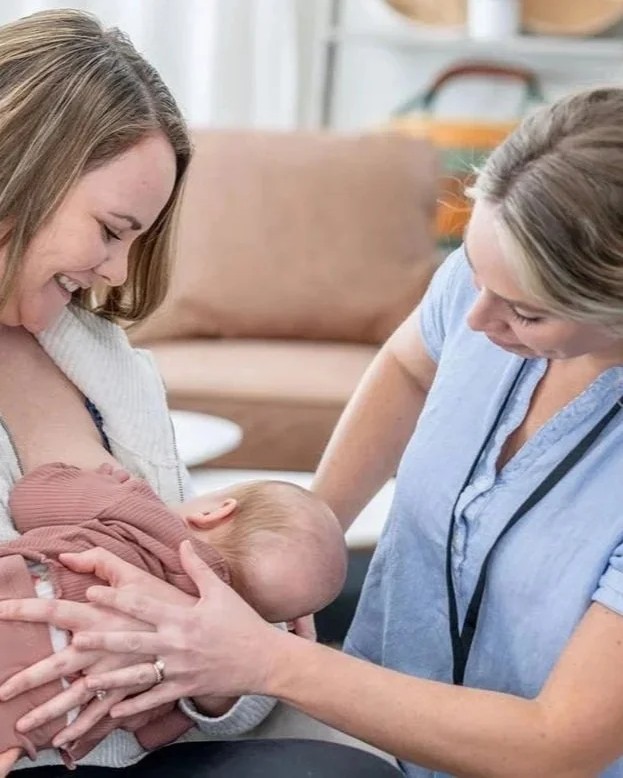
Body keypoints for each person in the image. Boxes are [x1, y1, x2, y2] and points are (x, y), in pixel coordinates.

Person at [10, 83, 623, 777]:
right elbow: (409, 365)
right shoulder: (488, 279)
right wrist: (294, 540)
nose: (474, 324)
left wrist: (263, 658)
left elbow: (560, 743)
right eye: (469, 273)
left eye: (523, 311)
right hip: (357, 719)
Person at [0, 6, 400, 777]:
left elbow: (228, 633)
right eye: (112, 229)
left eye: (136, 240)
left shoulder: (95, 359)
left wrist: (198, 674)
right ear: (22, 170)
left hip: (128, 742)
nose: (117, 272)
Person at [0, 462, 347, 772]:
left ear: (216, 512)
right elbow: (153, 735)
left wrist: (100, 480)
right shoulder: (199, 665)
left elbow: (33, 495)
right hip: (27, 722)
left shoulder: (141, 512)